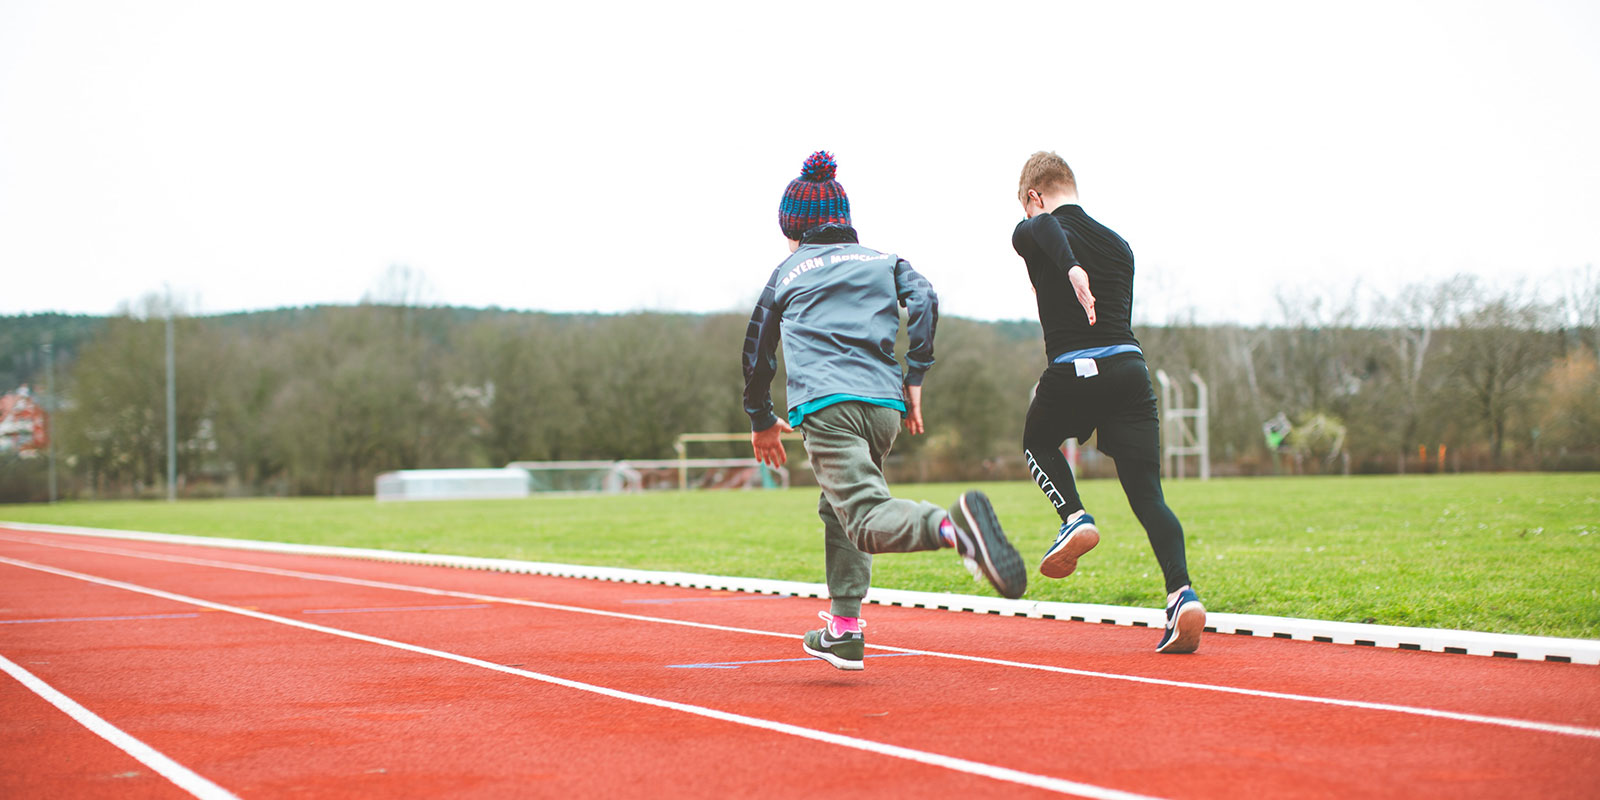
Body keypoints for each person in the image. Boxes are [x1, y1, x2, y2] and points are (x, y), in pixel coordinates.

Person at [742, 151, 1026, 671]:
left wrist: (760, 418)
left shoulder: (786, 271)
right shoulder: (883, 260)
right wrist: (916, 374)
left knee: (866, 517)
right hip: (884, 409)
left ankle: (954, 528)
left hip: (829, 407)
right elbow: (925, 299)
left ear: (794, 227)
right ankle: (844, 629)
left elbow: (757, 350)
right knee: (839, 507)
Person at [1011, 151, 1205, 654]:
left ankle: (1074, 517)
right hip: (1130, 372)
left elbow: (1049, 232)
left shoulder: (1034, 228)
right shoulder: (1119, 245)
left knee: (1036, 441)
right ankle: (1181, 594)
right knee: (1148, 496)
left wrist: (1070, 266)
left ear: (1035, 197)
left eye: (1030, 209)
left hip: (1076, 368)